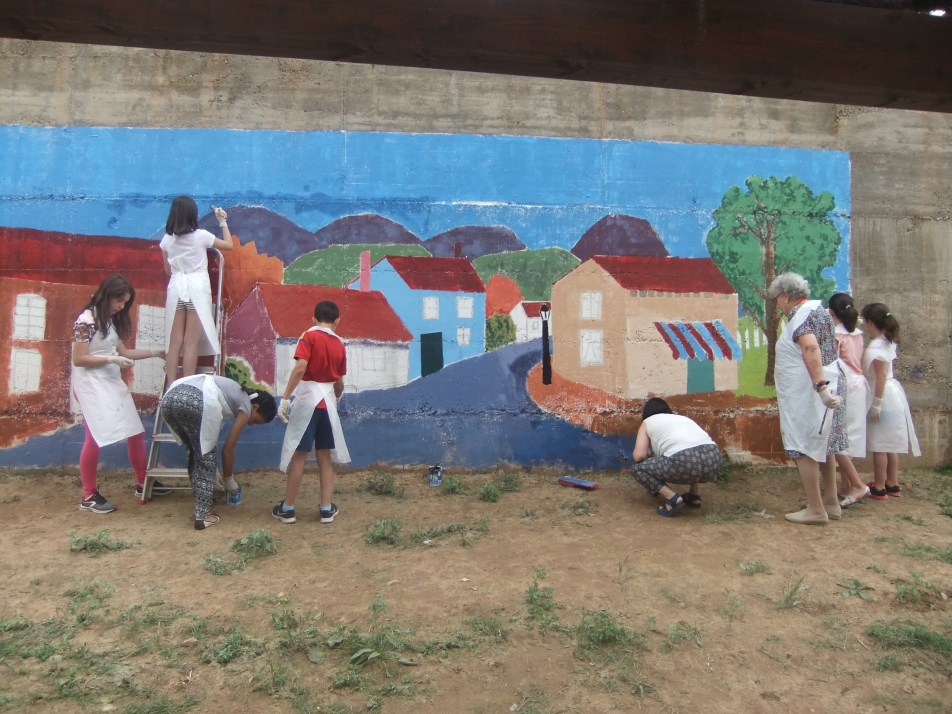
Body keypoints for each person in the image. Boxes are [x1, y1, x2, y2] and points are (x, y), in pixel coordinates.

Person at [71, 274, 167, 513]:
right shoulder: (86, 320)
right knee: (94, 436)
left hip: (109, 381)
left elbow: (126, 352)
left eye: (125, 302)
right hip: (90, 384)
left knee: (135, 431)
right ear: (107, 295)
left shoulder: (109, 321)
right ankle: (89, 495)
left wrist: (156, 352)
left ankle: (142, 482)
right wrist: (111, 359)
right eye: (120, 301)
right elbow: (79, 358)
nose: (122, 307)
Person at [768, 273, 845, 526]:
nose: (776, 304)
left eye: (777, 298)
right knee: (824, 443)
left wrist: (821, 388)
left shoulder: (801, 317)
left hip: (808, 392)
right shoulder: (818, 311)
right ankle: (831, 502)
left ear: (786, 295)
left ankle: (815, 508)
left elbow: (811, 348)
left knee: (804, 445)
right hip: (823, 384)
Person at [160, 374, 277, 529]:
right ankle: (202, 515)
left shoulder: (235, 391)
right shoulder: (247, 405)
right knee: (206, 456)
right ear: (256, 407)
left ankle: (203, 498)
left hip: (170, 399)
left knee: (196, 452)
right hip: (196, 400)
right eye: (255, 420)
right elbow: (228, 450)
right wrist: (229, 479)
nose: (250, 424)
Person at [273, 300, 350, 524]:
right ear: (337, 321)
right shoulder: (340, 344)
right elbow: (339, 384)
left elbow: (300, 367)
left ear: (313, 318)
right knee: (324, 457)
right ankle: (326, 508)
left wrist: (285, 398)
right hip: (328, 405)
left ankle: (288, 508)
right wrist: (335, 399)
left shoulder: (309, 335)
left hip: (307, 402)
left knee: (299, 456)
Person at [159, 196, 234, 386]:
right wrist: (223, 221)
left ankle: (171, 384)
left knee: (174, 342)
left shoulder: (167, 240)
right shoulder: (201, 236)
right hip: (197, 289)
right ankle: (188, 384)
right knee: (191, 342)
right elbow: (229, 245)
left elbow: (168, 271)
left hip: (176, 288)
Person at [860, 303, 920, 499]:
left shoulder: (875, 348)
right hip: (894, 395)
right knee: (890, 443)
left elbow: (880, 378)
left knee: (879, 444)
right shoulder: (889, 340)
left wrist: (876, 404)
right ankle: (892, 482)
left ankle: (879, 486)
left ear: (870, 322)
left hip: (882, 396)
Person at [630, 398, 722, 516]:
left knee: (638, 469)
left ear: (646, 413)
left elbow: (638, 456)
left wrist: (648, 454)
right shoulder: (682, 418)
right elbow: (692, 445)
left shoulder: (648, 421)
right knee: (689, 456)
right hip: (714, 459)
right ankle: (694, 496)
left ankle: (673, 498)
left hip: (684, 460)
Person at [829, 293, 871, 507]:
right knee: (850, 435)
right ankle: (846, 485)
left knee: (835, 437)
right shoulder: (858, 334)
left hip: (844, 386)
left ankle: (856, 485)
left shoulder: (836, 335)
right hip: (858, 384)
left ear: (831, 313)